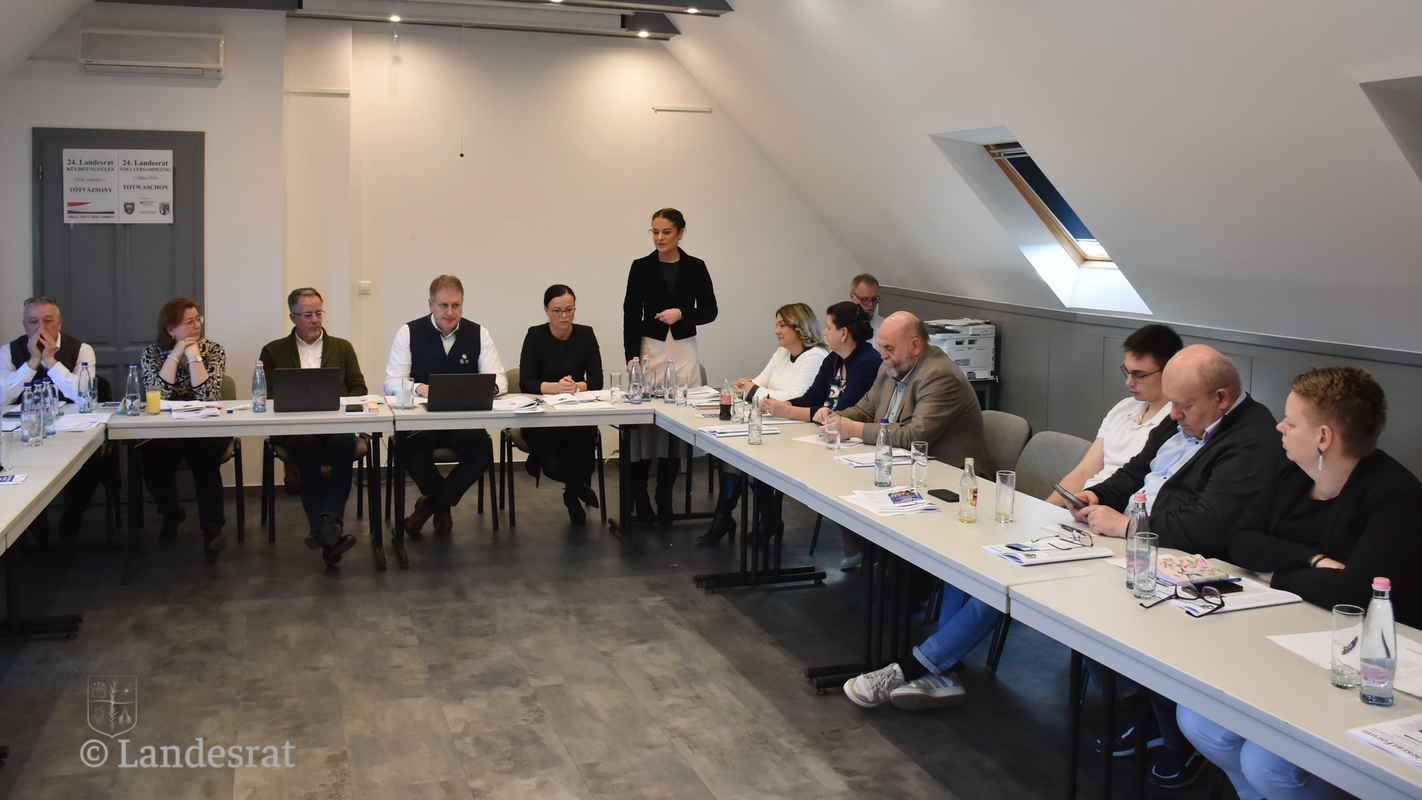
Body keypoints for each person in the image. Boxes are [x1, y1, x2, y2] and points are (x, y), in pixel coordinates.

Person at [1177, 366, 1422, 800]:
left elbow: (1354, 594)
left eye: (1290, 422)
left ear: (1323, 437)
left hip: (1366, 665)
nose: (1280, 427)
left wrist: (1276, 575)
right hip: (1283, 636)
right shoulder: (1291, 469)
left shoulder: (1397, 495)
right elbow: (1241, 541)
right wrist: (1313, 561)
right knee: (1198, 721)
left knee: (1266, 762)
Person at [1070, 344, 1281, 789]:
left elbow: (1208, 526)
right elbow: (1137, 470)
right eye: (1173, 404)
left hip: (1200, 568)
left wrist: (1129, 526)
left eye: (1183, 406)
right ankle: (1146, 709)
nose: (1175, 414)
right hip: (1145, 547)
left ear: (1221, 398)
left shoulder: (1253, 440)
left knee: (1123, 620)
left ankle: (1178, 736)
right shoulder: (1183, 413)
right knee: (1078, 607)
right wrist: (1098, 495)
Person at [836, 310, 994, 709]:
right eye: (882, 348)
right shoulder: (892, 367)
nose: (883, 355)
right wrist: (836, 417)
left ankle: (913, 620)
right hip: (912, 480)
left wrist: (854, 430)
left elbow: (914, 435)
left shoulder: (939, 375)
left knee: (946, 572)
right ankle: (911, 615)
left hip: (956, 491)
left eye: (890, 348)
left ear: (915, 346)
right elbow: (867, 410)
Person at [755, 301, 879, 563]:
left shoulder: (867, 362)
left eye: (828, 327)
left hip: (855, 443)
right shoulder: (834, 358)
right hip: (828, 437)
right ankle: (857, 548)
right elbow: (812, 397)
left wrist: (789, 412)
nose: (824, 332)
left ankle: (866, 549)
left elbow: (843, 412)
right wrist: (781, 406)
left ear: (843, 333)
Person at [385, 275, 507, 536]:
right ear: (431, 304)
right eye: (443, 305)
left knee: (481, 453)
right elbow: (392, 383)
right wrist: (420, 388)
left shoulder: (479, 333)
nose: (450, 312)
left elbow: (500, 379)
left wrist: (486, 388)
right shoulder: (409, 332)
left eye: (456, 305)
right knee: (411, 452)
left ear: (462, 304)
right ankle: (441, 506)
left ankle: (429, 507)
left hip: (464, 422)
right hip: (421, 422)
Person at [698, 303, 828, 544]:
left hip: (798, 431)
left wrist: (753, 391)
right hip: (775, 424)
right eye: (776, 325)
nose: (776, 331)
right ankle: (730, 517)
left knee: (751, 452)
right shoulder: (782, 352)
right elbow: (758, 382)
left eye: (782, 325)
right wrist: (748, 387)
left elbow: (796, 398)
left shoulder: (815, 357)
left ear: (799, 327)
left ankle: (763, 519)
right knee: (734, 450)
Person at [622, 208, 718, 522]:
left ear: (680, 233)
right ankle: (640, 496)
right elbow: (630, 313)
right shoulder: (640, 266)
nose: (660, 238)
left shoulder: (695, 266)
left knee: (677, 424)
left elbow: (710, 310)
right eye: (655, 232)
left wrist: (682, 313)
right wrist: (631, 356)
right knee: (644, 425)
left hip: (683, 349)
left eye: (666, 232)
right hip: (649, 347)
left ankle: (664, 496)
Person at [258, 288, 365, 568]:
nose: (315, 320)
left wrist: (338, 404)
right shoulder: (273, 351)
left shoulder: (342, 347)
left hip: (336, 424)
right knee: (305, 448)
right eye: (307, 315)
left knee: (344, 446)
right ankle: (330, 531)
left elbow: (359, 388)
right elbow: (267, 394)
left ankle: (326, 526)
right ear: (293, 317)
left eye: (319, 313)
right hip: (296, 427)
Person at [0, 296, 104, 542]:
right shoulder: (8, 352)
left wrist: (50, 361)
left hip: (71, 430)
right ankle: (34, 522)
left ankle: (73, 515)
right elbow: (3, 397)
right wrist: (32, 363)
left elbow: (84, 395)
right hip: (22, 432)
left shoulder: (81, 349)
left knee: (90, 464)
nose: (41, 328)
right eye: (33, 322)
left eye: (47, 320)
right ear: (24, 325)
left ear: (59, 322)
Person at [1049, 324, 1182, 505]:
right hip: (1087, 502)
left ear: (1169, 371)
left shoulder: (1178, 424)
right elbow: (1083, 472)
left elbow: (1144, 489)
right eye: (1127, 372)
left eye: (1140, 375)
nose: (1129, 382)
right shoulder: (1123, 408)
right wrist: (1046, 510)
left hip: (1118, 510)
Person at [140, 299, 232, 559]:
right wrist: (174, 355)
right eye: (189, 322)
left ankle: (213, 530)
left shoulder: (213, 350)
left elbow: (207, 395)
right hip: (166, 427)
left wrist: (193, 357)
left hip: (204, 425)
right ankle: (170, 513)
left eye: (198, 320)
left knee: (206, 458)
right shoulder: (152, 353)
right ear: (171, 329)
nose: (197, 326)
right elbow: (158, 396)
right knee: (153, 456)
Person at [518, 284, 604, 524]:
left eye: (569, 310)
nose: (564, 316)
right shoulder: (535, 336)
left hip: (576, 414)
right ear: (546, 310)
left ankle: (571, 494)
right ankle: (577, 488)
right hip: (541, 418)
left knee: (587, 460)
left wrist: (575, 386)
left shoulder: (586, 335)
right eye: (557, 311)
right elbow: (526, 382)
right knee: (554, 466)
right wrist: (556, 387)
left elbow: (597, 380)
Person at [849, 273, 882, 349]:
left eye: (874, 299)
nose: (870, 304)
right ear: (852, 296)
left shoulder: (886, 328)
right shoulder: (838, 327)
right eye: (864, 299)